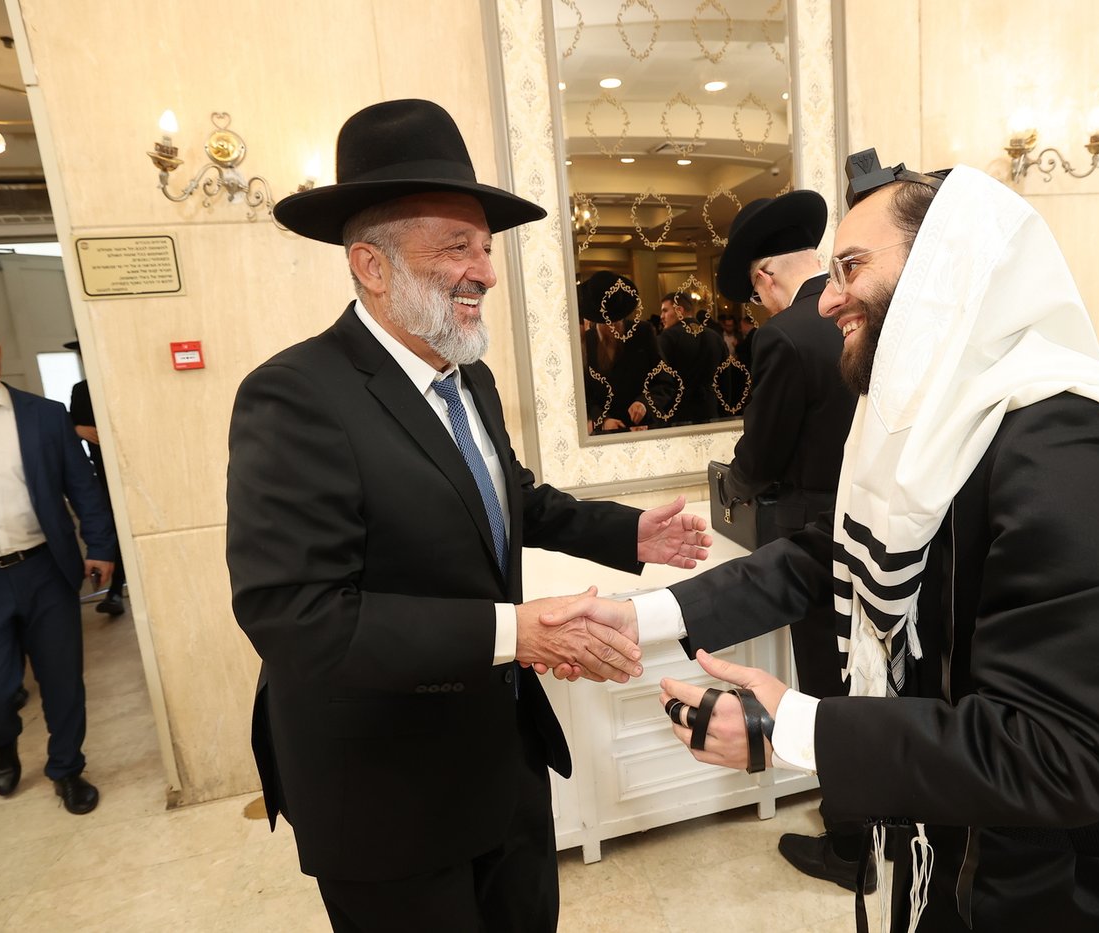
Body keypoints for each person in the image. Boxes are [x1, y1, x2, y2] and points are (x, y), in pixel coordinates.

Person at [547, 152, 1099, 932]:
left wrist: (795, 727)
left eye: (851, 266)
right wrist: (642, 616)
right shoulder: (924, 424)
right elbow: (828, 553)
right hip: (937, 845)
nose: (829, 297)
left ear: (947, 269)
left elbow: (1070, 751)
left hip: (1041, 889)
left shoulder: (1070, 444)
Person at [225, 99, 711, 933]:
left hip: (501, 762)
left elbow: (509, 497)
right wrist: (517, 631)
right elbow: (296, 614)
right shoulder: (295, 396)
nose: (485, 271)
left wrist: (627, 533)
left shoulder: (467, 376)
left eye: (485, 247)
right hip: (384, 792)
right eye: (457, 246)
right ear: (372, 266)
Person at [713, 189, 864, 890]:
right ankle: (888, 824)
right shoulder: (869, 313)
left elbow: (764, 453)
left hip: (814, 539)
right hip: (883, 529)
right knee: (874, 684)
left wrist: (732, 485)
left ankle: (850, 846)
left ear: (766, 275)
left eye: (754, 293)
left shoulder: (784, 335)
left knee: (827, 689)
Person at [0, 312, 116, 814]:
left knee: (63, 680)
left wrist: (100, 546)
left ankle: (67, 767)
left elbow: (81, 486)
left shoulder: (44, 414)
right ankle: (1, 741)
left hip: (45, 571)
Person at [65, 341, 127, 617]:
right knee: (113, 528)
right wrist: (77, 429)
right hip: (102, 472)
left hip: (131, 468)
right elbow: (66, 427)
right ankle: (115, 591)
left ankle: (116, 591)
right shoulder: (81, 390)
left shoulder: (121, 381)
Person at [579, 270, 677, 433]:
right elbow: (584, 394)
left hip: (643, 430)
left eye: (616, 320)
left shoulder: (642, 332)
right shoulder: (586, 341)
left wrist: (644, 403)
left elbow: (664, 381)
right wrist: (603, 420)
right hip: (604, 435)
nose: (612, 327)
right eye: (606, 322)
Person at [657, 295, 727, 425]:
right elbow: (725, 379)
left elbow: (660, 379)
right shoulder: (715, 337)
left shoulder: (667, 337)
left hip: (677, 412)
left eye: (665, 310)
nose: (661, 316)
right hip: (710, 409)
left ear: (679, 310)